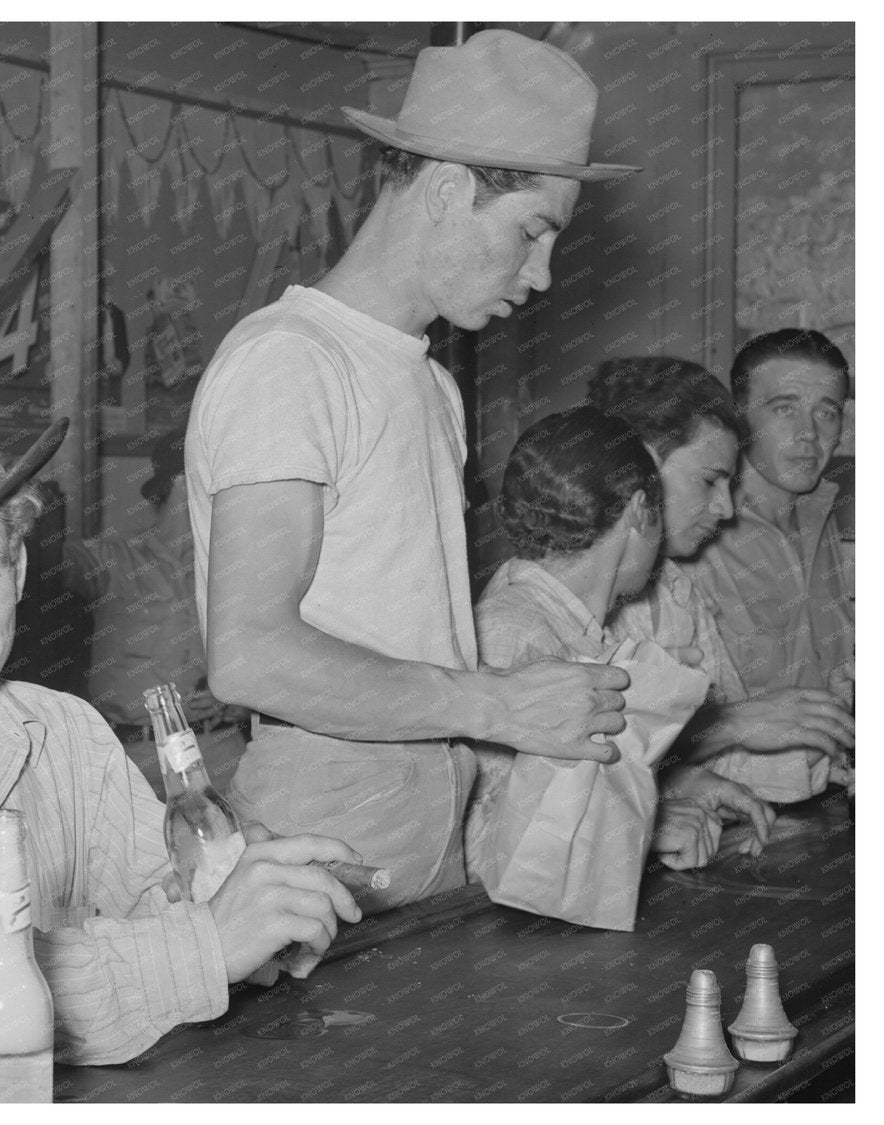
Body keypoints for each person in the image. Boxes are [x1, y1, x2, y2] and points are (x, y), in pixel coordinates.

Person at [186, 28, 637, 907]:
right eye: (531, 233)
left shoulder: (428, 379)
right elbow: (248, 655)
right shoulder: (292, 362)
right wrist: (497, 707)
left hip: (428, 837)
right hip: (320, 851)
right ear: (444, 189)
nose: (542, 275)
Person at [0, 386, 362, 1081]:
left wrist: (245, 896)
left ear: (20, 568)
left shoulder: (62, 731)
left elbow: (165, 894)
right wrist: (206, 945)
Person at [466, 405, 774, 908]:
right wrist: (643, 831)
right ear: (638, 511)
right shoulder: (510, 632)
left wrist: (671, 789)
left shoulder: (574, 627)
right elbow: (483, 855)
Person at [592, 356, 855, 804]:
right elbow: (568, 773)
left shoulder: (675, 589)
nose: (725, 509)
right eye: (710, 481)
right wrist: (726, 728)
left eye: (827, 412)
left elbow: (716, 754)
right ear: (643, 468)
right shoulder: (550, 601)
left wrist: (822, 760)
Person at [678, 330, 854, 801]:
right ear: (739, 418)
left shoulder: (829, 516)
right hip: (717, 818)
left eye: (827, 411)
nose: (809, 434)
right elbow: (637, 729)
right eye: (784, 408)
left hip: (827, 800)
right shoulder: (693, 532)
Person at [61, 427, 246, 792]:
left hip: (222, 754)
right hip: (134, 763)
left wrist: (240, 699)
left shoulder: (233, 568)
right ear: (181, 483)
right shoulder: (112, 559)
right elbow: (47, 566)